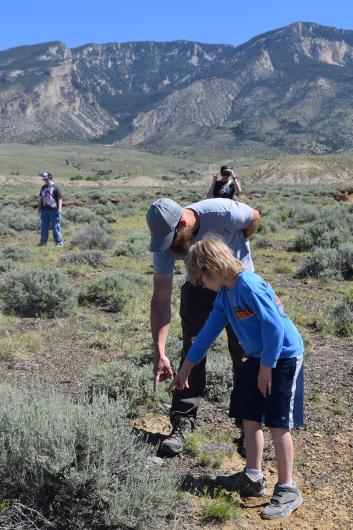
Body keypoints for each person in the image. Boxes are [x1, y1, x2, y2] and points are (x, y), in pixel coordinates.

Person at [174, 237, 304, 520]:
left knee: (278, 424)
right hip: (259, 357)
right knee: (250, 416)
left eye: (200, 278)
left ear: (213, 267)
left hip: (282, 356)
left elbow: (273, 328)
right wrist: (187, 366)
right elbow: (209, 331)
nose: (200, 284)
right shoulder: (225, 295)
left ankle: (288, 488)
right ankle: (253, 477)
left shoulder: (249, 285)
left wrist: (267, 367)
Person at [146, 197, 260, 455]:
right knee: (193, 350)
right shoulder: (165, 241)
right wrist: (159, 351)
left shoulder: (223, 212)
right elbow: (161, 298)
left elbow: (254, 217)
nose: (170, 248)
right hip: (199, 287)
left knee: (245, 353)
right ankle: (183, 420)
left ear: (183, 223)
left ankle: (249, 427)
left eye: (173, 240)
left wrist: (242, 244)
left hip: (238, 286)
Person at [37, 171, 63, 247]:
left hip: (53, 211)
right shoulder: (43, 187)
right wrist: (39, 207)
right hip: (44, 211)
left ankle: (59, 243)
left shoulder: (55, 187)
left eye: (46, 179)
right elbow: (41, 198)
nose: (45, 181)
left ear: (50, 178)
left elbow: (60, 199)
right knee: (44, 227)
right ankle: (43, 242)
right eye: (44, 179)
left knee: (56, 227)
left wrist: (59, 209)